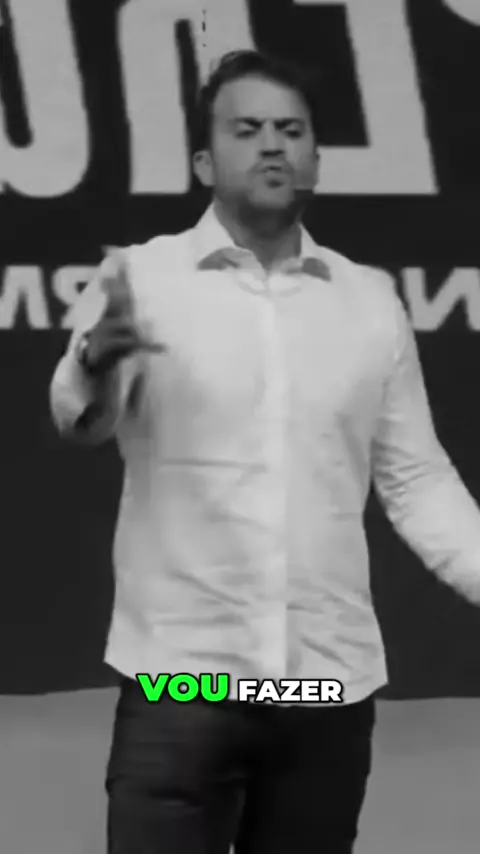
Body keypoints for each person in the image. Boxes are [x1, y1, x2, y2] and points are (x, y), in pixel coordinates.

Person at [49, 49, 480, 854]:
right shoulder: (139, 280)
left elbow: (418, 480)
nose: (273, 144)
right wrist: (95, 364)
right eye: (247, 130)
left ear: (315, 156)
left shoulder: (369, 302)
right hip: (183, 681)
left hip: (325, 686)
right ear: (204, 162)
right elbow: (82, 420)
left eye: (291, 129)